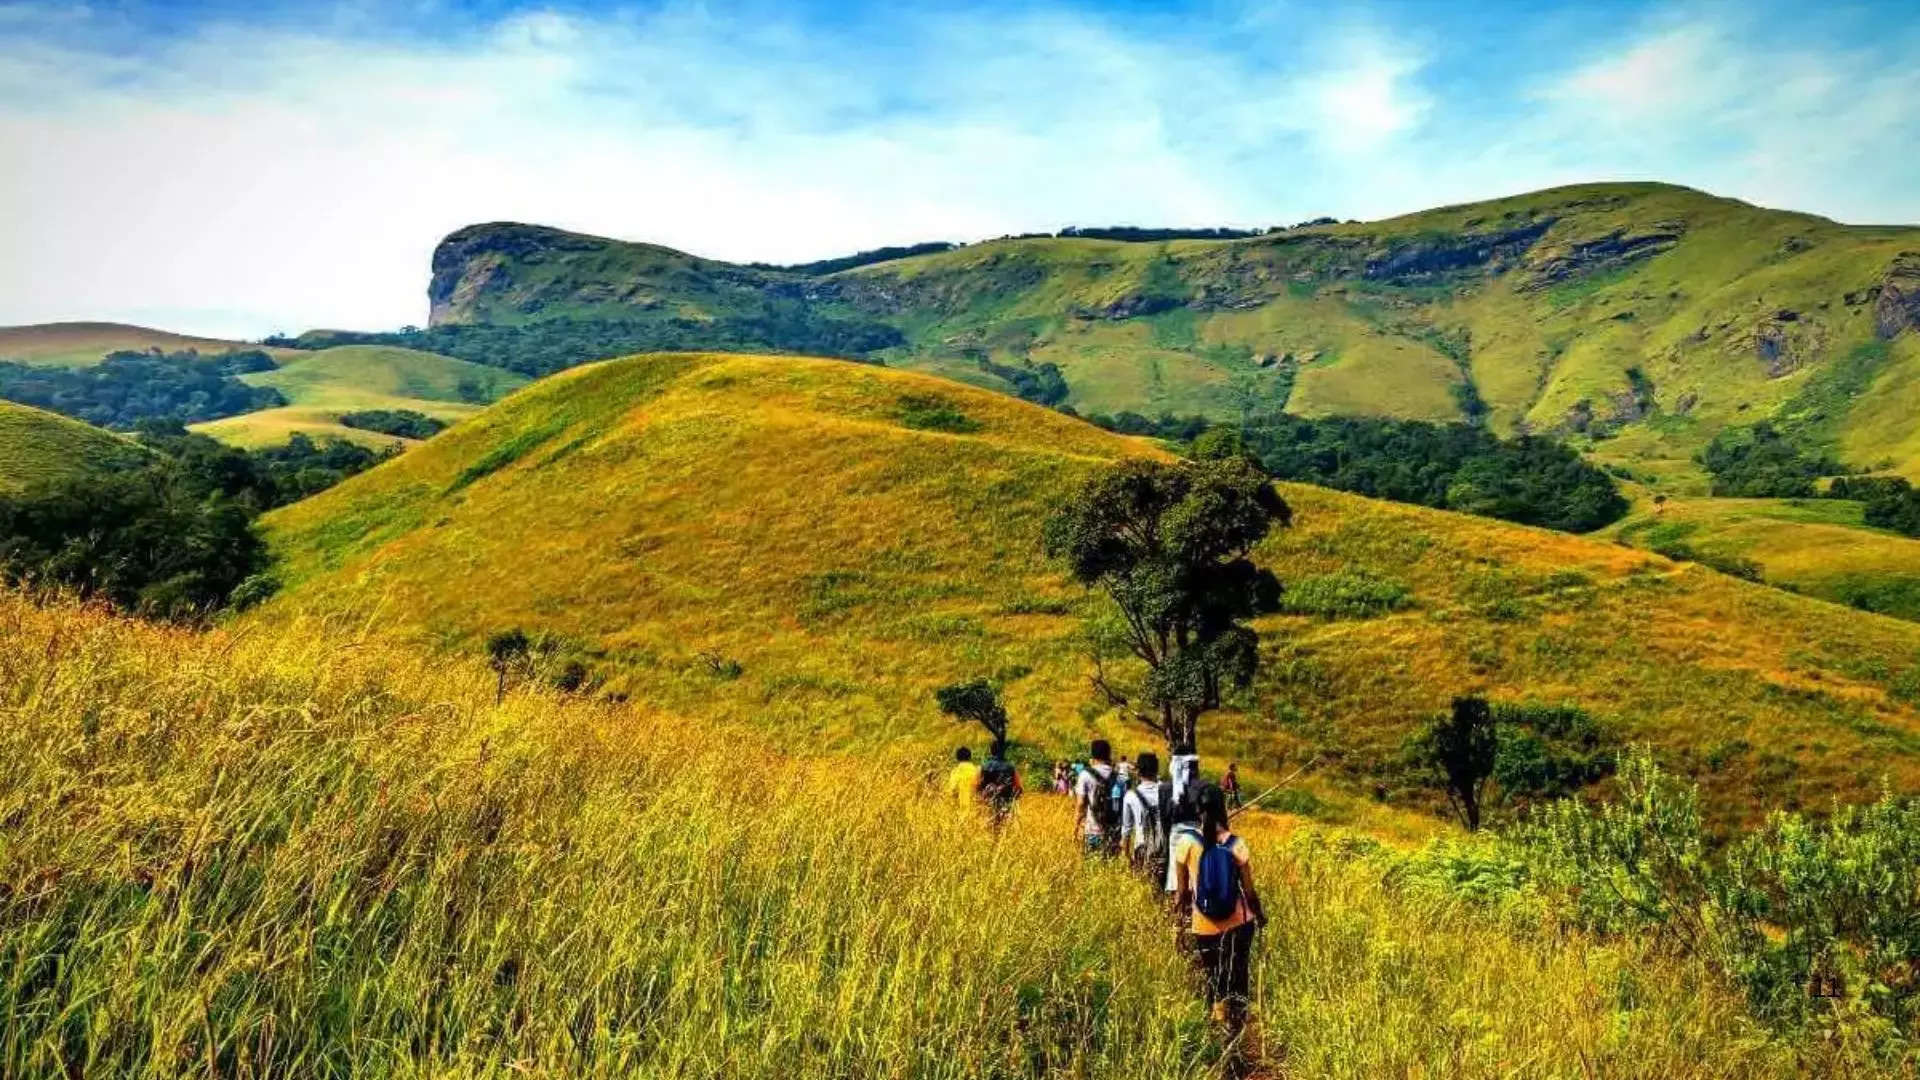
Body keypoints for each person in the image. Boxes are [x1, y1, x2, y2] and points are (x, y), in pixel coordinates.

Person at [1173, 782, 1265, 1038]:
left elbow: (1182, 893)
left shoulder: (1186, 842)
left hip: (1204, 925)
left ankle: (1217, 1023)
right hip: (1239, 924)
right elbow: (1249, 893)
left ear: (1197, 809)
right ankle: (1239, 1026)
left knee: (1213, 975)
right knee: (1238, 972)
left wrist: (1179, 923)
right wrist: (1260, 916)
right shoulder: (1236, 844)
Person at [1121, 751, 1166, 876]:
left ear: (1138, 771)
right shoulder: (1167, 791)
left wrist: (1127, 856)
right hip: (1165, 850)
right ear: (1156, 770)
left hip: (1142, 849)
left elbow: (1126, 830)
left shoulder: (1131, 795)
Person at [1072, 739, 1120, 855]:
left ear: (1092, 754)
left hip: (1092, 829)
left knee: (1089, 867)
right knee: (1110, 869)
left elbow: (1080, 804)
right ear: (1108, 754)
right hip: (1113, 832)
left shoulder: (1085, 775)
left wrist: (1075, 828)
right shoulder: (1119, 778)